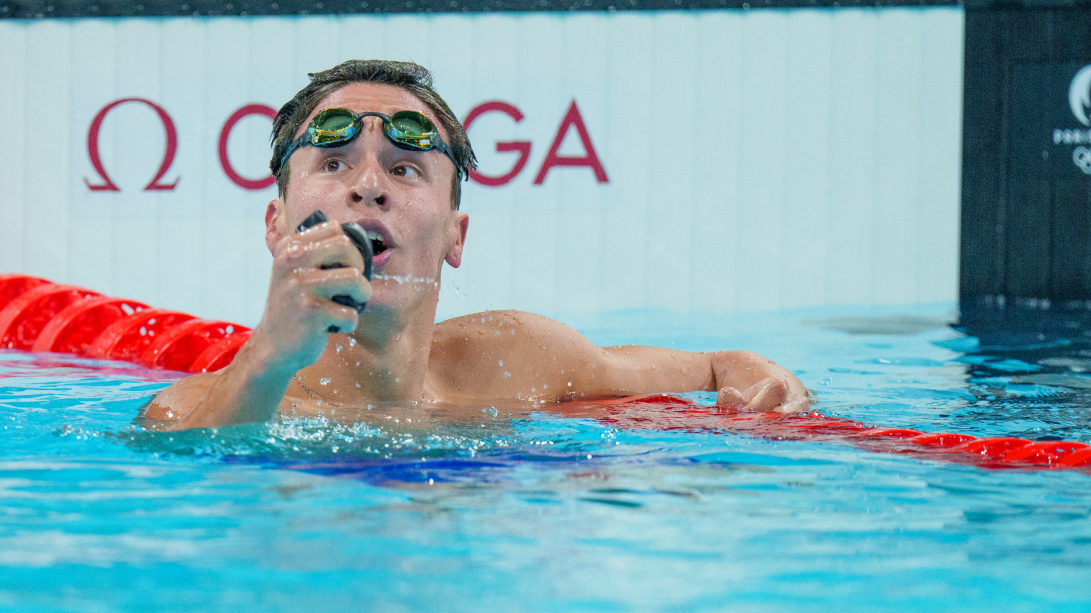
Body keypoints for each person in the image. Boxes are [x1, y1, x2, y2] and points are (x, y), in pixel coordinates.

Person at [145, 60, 809, 429]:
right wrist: (267, 358)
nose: (369, 186)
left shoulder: (517, 362)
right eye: (335, 162)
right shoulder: (187, 411)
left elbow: (714, 367)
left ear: (454, 237)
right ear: (276, 226)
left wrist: (751, 369)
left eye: (405, 169)